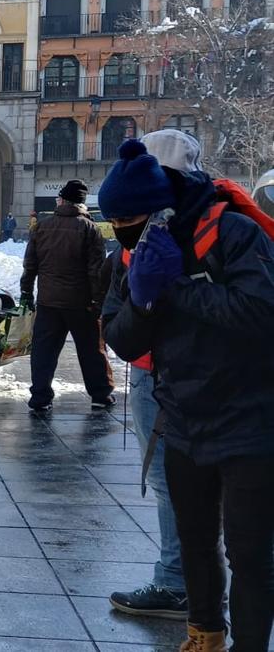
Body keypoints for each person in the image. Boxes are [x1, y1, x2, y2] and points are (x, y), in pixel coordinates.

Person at [100, 137, 274, 652]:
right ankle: (204, 634)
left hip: (250, 423)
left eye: (126, 222)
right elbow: (121, 337)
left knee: (249, 555)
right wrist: (146, 301)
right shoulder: (135, 254)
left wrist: (177, 288)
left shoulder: (234, 234)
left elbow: (259, 314)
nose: (119, 234)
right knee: (196, 544)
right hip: (181, 422)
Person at [105, 130, 201, 621]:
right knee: (172, 481)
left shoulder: (213, 232)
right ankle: (188, 580)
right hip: (148, 372)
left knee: (176, 481)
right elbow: (116, 323)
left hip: (187, 379)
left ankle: (178, 583)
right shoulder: (135, 242)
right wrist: (141, 302)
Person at [20, 180, 114, 412]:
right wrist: (98, 302)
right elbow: (96, 271)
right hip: (81, 304)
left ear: (62, 200)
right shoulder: (90, 229)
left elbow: (30, 265)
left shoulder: (41, 227)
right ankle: (100, 395)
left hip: (48, 302)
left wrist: (26, 293)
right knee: (91, 350)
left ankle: (40, 397)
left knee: (44, 351)